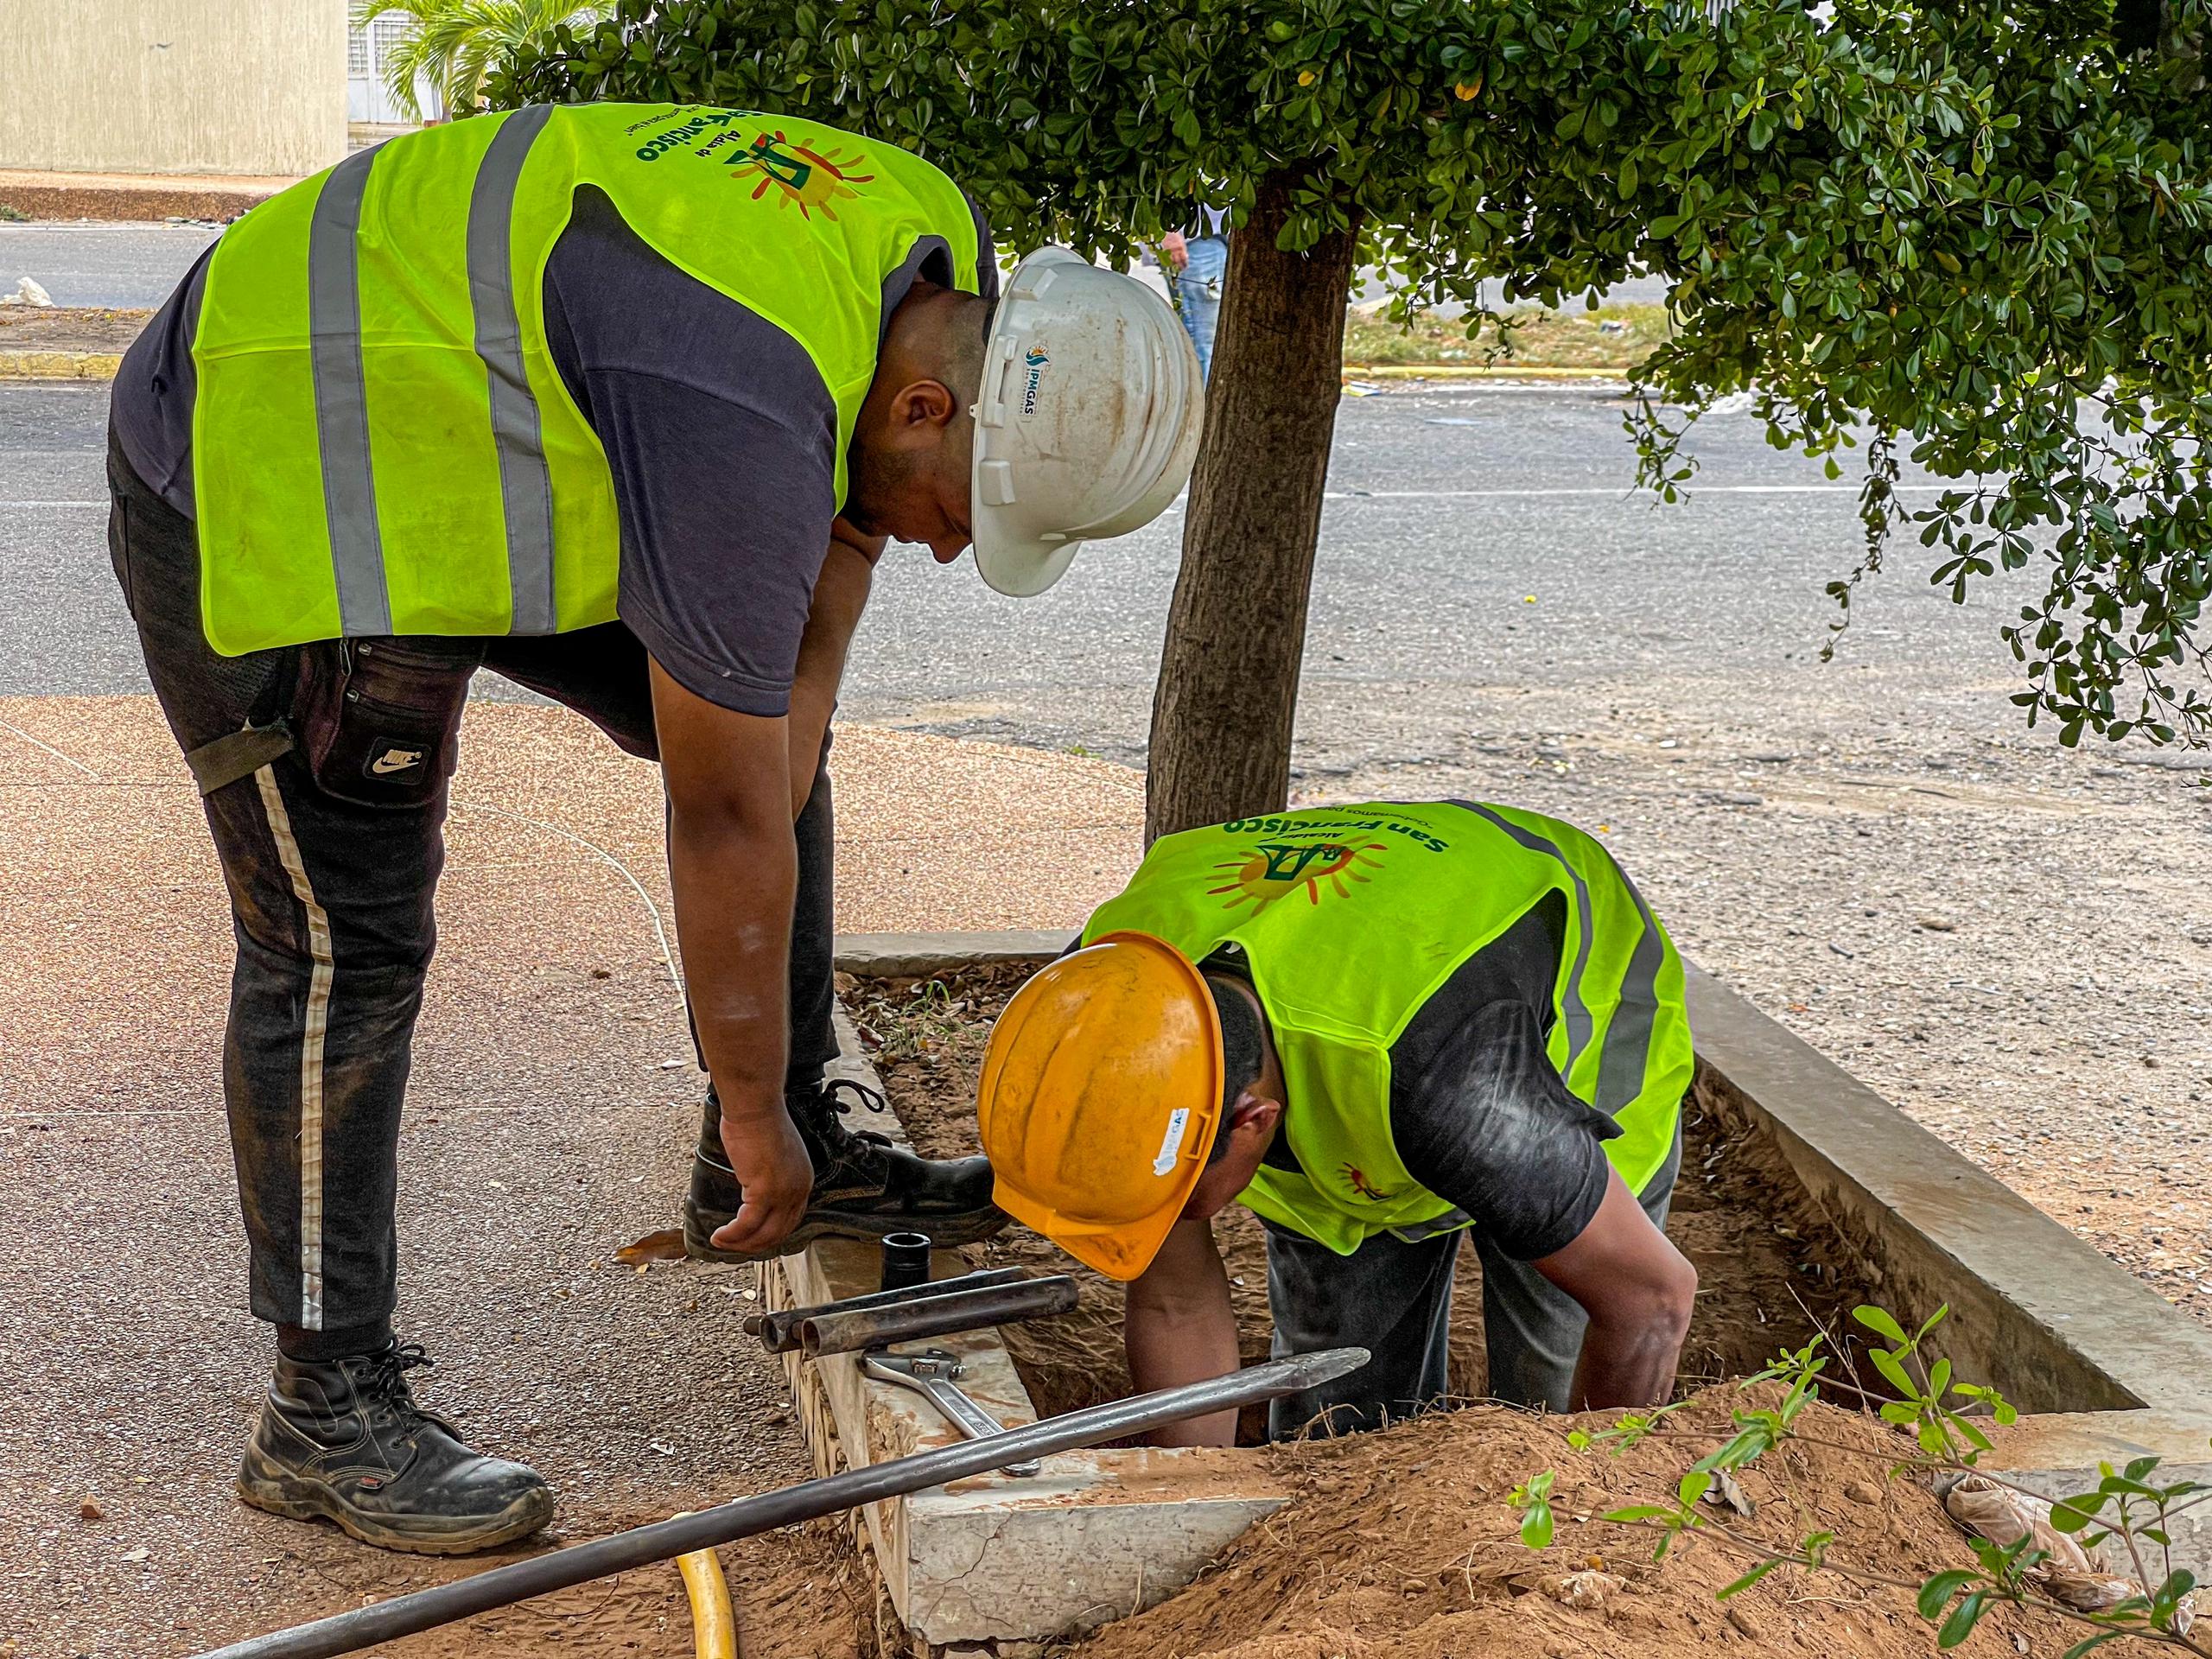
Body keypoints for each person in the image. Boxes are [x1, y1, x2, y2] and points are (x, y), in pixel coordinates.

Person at [105, 103, 1203, 1554]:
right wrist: (746, 1098)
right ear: (929, 408)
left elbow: (816, 608)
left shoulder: (936, 271)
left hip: (473, 410)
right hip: (274, 452)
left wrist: (790, 737)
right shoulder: (748, 394)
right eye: (962, 517)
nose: (949, 547)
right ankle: (322, 1410)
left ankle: (794, 1127)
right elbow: (723, 809)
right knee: (342, 937)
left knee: (770, 735)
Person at [976, 799, 1698, 1446]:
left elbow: (1652, 1299)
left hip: (1549, 1018)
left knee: (1551, 1378)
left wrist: (1600, 1492)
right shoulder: (1105, 1012)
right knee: (1342, 1416)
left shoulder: (1461, 1092)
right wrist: (1193, 1502)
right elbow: (1173, 1299)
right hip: (1358, 1037)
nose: (1163, 1218)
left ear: (1255, 1121)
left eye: (1172, 1196)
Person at [1160, 207, 1230, 380]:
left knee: (1203, 343)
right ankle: (1204, 405)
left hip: (1211, 236)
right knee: (1206, 343)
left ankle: (1198, 403)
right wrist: (1169, 231)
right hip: (1197, 240)